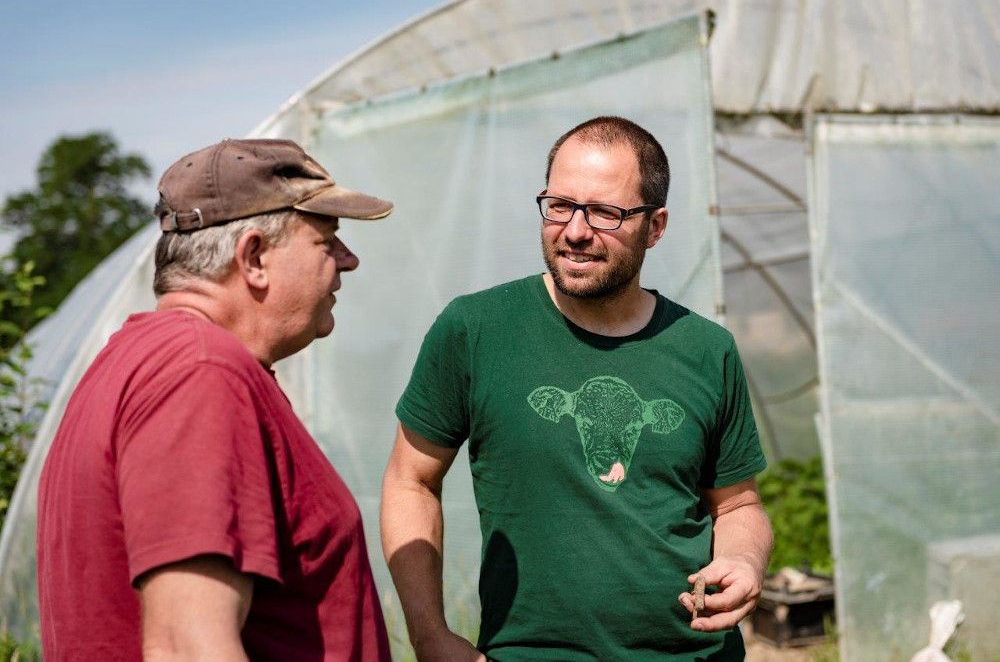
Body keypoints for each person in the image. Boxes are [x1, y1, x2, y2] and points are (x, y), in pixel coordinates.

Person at [381, 116, 772, 660]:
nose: (575, 230)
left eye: (606, 212)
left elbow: (737, 505)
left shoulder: (707, 349)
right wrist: (429, 635)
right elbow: (410, 482)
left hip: (695, 653)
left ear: (655, 227)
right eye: (559, 205)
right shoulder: (476, 330)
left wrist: (744, 560)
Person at [37, 138, 394, 661]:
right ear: (253, 257)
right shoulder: (200, 373)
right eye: (327, 240)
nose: (349, 260)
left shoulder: (142, 361)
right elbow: (187, 646)